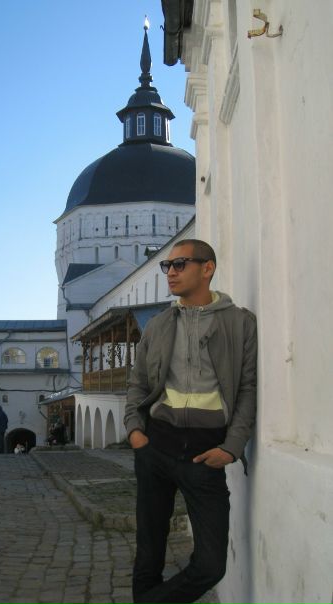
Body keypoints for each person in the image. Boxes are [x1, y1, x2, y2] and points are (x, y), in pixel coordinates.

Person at [124, 239, 257, 604]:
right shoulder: (158, 325)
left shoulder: (240, 323)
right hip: (155, 448)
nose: (170, 273)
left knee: (211, 565)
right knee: (149, 552)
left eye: (180, 264)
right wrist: (135, 432)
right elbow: (138, 383)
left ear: (207, 268)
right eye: (167, 266)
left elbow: (247, 388)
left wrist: (232, 448)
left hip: (205, 455)